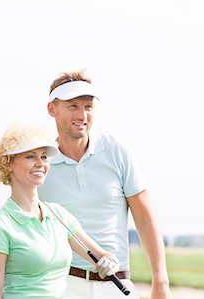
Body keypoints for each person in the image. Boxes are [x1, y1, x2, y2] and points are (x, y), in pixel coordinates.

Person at [38, 70, 173, 299]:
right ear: (52, 109)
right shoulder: (40, 161)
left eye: (88, 107)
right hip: (61, 285)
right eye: (73, 106)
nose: (82, 115)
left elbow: (144, 217)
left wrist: (161, 281)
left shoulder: (116, 151)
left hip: (116, 283)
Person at [0, 123, 120, 299]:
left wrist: (110, 262)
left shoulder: (59, 215)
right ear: (8, 163)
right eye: (31, 156)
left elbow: (100, 255)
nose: (40, 163)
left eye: (44, 157)